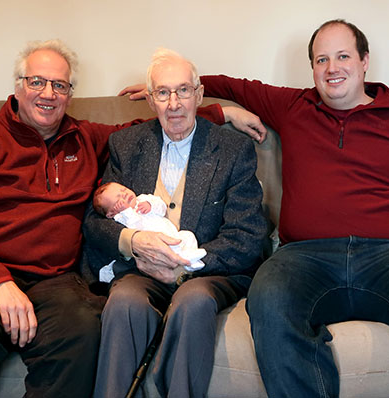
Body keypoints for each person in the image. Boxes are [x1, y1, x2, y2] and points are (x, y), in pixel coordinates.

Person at [120, 20, 389, 397]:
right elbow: (236, 87)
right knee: (270, 296)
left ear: (365, 61)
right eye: (321, 59)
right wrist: (180, 92)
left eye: (343, 56)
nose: (332, 68)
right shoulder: (295, 106)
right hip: (305, 259)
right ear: (312, 68)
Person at [0, 39, 233, 398]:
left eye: (59, 85)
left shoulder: (84, 138)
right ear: (18, 86)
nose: (48, 93)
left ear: (69, 93)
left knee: (83, 331)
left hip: (53, 281)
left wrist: (222, 114)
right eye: (37, 82)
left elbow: (155, 125)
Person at [83, 48, 267, 398]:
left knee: (193, 301)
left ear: (198, 94)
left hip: (209, 274)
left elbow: (246, 236)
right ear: (151, 101)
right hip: (142, 271)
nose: (174, 103)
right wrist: (133, 241)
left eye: (183, 91)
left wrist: (183, 267)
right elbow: (96, 222)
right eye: (163, 93)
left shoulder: (232, 149)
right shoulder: (126, 144)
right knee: (124, 302)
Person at [92, 181, 207, 282]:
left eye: (124, 189)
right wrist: (127, 211)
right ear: (111, 213)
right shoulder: (121, 218)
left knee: (188, 235)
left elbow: (162, 209)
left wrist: (151, 205)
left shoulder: (143, 198)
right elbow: (135, 229)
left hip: (173, 236)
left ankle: (190, 259)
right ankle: (187, 260)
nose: (125, 194)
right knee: (168, 254)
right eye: (119, 199)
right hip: (156, 247)